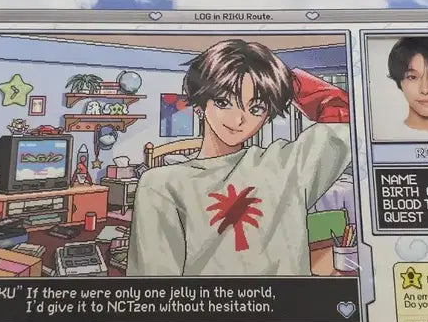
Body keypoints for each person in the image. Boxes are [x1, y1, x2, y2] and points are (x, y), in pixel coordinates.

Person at [127, 39, 351, 276]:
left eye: (256, 108)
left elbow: (343, 113)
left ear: (267, 114)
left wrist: (282, 77)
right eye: (223, 102)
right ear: (199, 106)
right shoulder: (161, 184)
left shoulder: (290, 164)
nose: (238, 120)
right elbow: (154, 285)